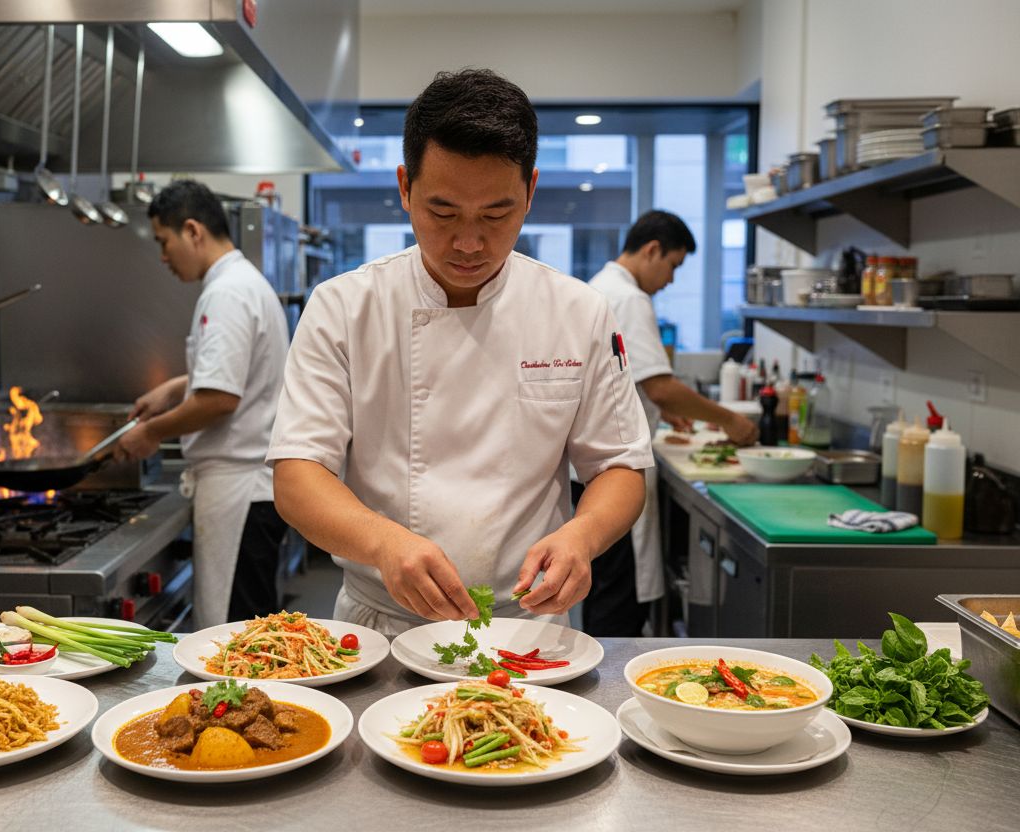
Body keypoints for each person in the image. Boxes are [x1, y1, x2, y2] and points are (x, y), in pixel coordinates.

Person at [266, 69, 653, 637]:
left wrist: (582, 536)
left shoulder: (578, 311)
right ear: (404, 187)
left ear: (530, 191)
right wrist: (385, 542)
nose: (469, 243)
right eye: (442, 213)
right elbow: (298, 475)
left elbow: (619, 465)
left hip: (529, 625)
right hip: (383, 626)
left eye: (496, 215)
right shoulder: (344, 307)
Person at [114, 179, 290, 629]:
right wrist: (176, 386)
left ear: (192, 230)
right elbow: (234, 372)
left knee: (239, 636)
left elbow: (220, 399)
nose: (163, 256)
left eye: (164, 241)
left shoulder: (226, 293)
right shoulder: (243, 282)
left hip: (240, 493)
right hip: (251, 491)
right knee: (251, 632)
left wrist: (150, 433)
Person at [583, 209, 759, 636]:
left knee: (606, 589)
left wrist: (661, 408)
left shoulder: (599, 289)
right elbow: (660, 385)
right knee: (618, 601)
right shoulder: (629, 297)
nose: (671, 280)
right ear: (652, 250)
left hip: (590, 469)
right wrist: (730, 420)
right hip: (612, 471)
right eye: (673, 266)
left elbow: (633, 382)